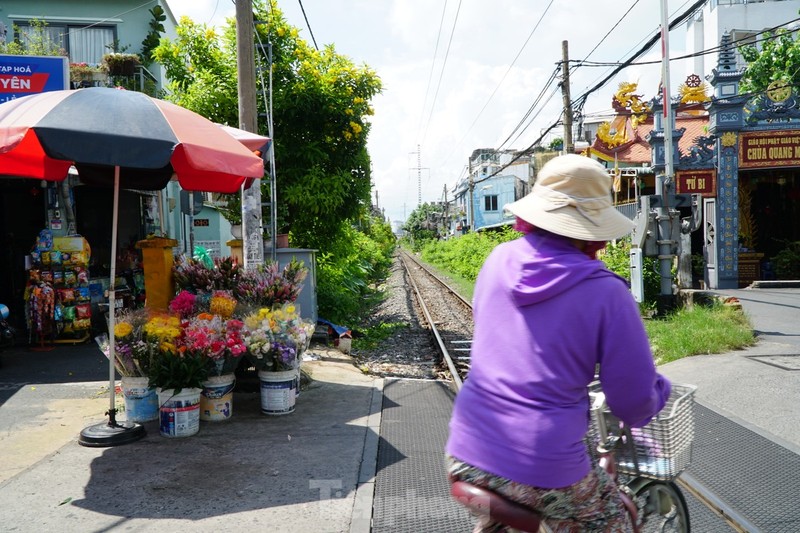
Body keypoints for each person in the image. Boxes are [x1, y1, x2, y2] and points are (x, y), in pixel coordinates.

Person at [446, 154, 671, 532]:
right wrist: (657, 393)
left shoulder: (497, 259)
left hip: (466, 449)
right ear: (595, 228)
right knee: (614, 520)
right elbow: (632, 401)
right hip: (544, 461)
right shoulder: (606, 292)